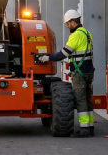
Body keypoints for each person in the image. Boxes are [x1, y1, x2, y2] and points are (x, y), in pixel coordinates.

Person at [39, 9, 95, 137]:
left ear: (73, 22)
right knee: (87, 100)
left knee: (80, 100)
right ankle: (90, 128)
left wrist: (47, 58)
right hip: (88, 72)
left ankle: (84, 131)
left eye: (68, 23)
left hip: (80, 73)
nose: (67, 26)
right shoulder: (87, 33)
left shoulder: (76, 35)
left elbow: (63, 54)